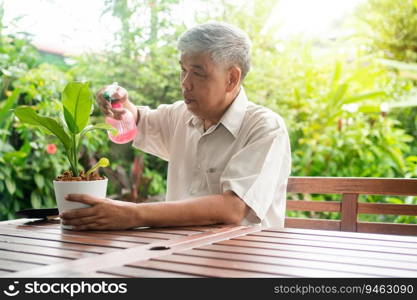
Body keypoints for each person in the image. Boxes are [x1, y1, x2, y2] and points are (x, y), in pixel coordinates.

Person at [61, 21, 291, 230]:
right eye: (183, 70)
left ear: (231, 78)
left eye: (198, 73)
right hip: (179, 251)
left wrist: (133, 214)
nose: (185, 83)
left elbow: (233, 208)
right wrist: (119, 102)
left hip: (246, 260)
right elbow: (138, 120)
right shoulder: (180, 115)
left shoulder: (265, 128)